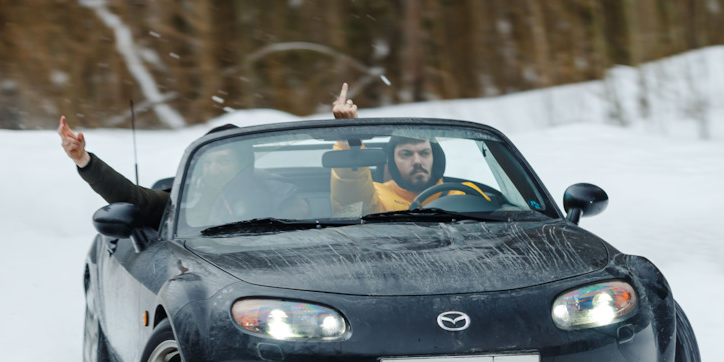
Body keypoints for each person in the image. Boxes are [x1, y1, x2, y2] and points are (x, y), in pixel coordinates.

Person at [58, 116, 307, 229]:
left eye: (223, 161)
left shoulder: (279, 196)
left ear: (244, 164)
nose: (213, 168)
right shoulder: (183, 204)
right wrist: (84, 160)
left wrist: (344, 136)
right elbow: (134, 199)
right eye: (208, 162)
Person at [329, 83, 482, 215]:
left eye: (424, 153)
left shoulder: (464, 193)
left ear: (435, 157)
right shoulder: (378, 196)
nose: (417, 161)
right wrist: (349, 135)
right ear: (392, 162)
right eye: (406, 154)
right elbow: (353, 199)